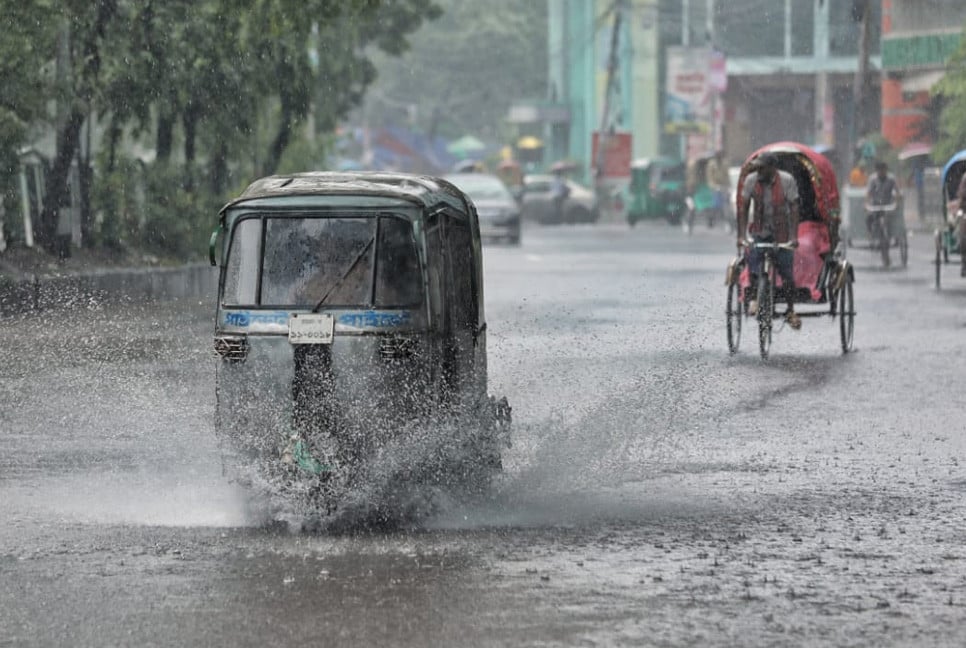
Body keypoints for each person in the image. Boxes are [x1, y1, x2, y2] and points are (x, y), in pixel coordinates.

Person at [736, 153, 802, 330]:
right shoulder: (751, 180)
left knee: (787, 273)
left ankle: (790, 310)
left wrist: (794, 237)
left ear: (772, 168)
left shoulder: (786, 180)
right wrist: (741, 236)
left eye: (762, 168)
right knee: (754, 261)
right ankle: (756, 297)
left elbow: (794, 207)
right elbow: (743, 207)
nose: (758, 171)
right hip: (759, 230)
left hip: (782, 232)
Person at [865, 160, 902, 268]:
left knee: (892, 221)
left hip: (888, 207)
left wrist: (897, 200)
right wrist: (867, 205)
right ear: (877, 171)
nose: (882, 172)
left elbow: (897, 192)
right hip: (875, 206)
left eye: (883, 170)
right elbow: (868, 194)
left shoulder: (891, 179)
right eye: (880, 170)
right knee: (869, 218)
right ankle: (871, 234)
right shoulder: (872, 180)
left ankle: (892, 237)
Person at [706, 150, 731, 220]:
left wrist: (728, 185)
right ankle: (711, 217)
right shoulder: (711, 164)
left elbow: (727, 176)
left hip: (723, 186)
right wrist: (714, 186)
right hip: (715, 187)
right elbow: (709, 177)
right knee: (715, 204)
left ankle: (727, 218)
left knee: (726, 203)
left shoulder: (724, 163)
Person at [955, 171, 966, 276]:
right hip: (965, 210)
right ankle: (963, 264)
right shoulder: (965, 178)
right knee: (963, 238)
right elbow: (961, 193)